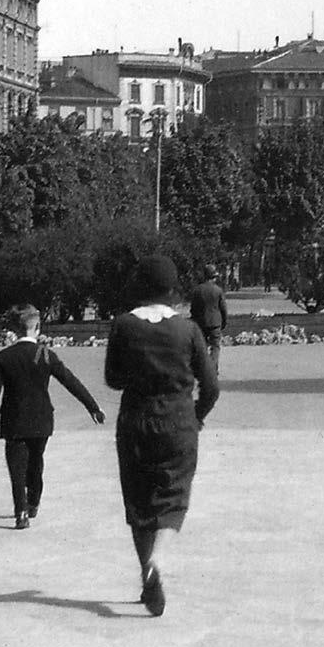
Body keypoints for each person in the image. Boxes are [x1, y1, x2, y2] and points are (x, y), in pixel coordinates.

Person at [105, 255, 219, 617]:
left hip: (135, 420)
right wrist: (196, 416)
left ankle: (146, 578)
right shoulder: (188, 331)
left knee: (138, 501)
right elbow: (212, 386)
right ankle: (158, 559)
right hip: (178, 421)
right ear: (172, 289)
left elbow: (113, 378)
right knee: (172, 498)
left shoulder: (123, 325)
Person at [0, 304, 106, 529]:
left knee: (16, 467)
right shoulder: (46, 355)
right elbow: (71, 382)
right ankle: (34, 502)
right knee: (36, 462)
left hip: (14, 421)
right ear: (36, 327)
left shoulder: (3, 357)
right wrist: (93, 407)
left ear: (13, 329)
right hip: (42, 421)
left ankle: (21, 513)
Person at [189, 263, 228, 372]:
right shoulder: (218, 290)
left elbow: (193, 309)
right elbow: (223, 308)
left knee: (202, 347)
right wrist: (224, 322)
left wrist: (194, 321)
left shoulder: (197, 290)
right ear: (214, 277)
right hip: (215, 323)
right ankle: (213, 367)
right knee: (215, 347)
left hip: (200, 322)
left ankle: (203, 368)